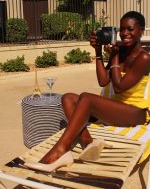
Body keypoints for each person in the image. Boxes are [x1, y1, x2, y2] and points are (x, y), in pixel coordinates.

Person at [24, 11, 150, 172]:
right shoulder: (120, 52)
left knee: (87, 98)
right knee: (68, 98)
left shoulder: (144, 58)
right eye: (122, 29)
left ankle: (60, 150)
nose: (125, 33)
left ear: (141, 30)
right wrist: (98, 52)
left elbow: (119, 86)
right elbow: (104, 81)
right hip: (115, 109)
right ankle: (88, 142)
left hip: (136, 113)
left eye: (130, 29)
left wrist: (115, 57)